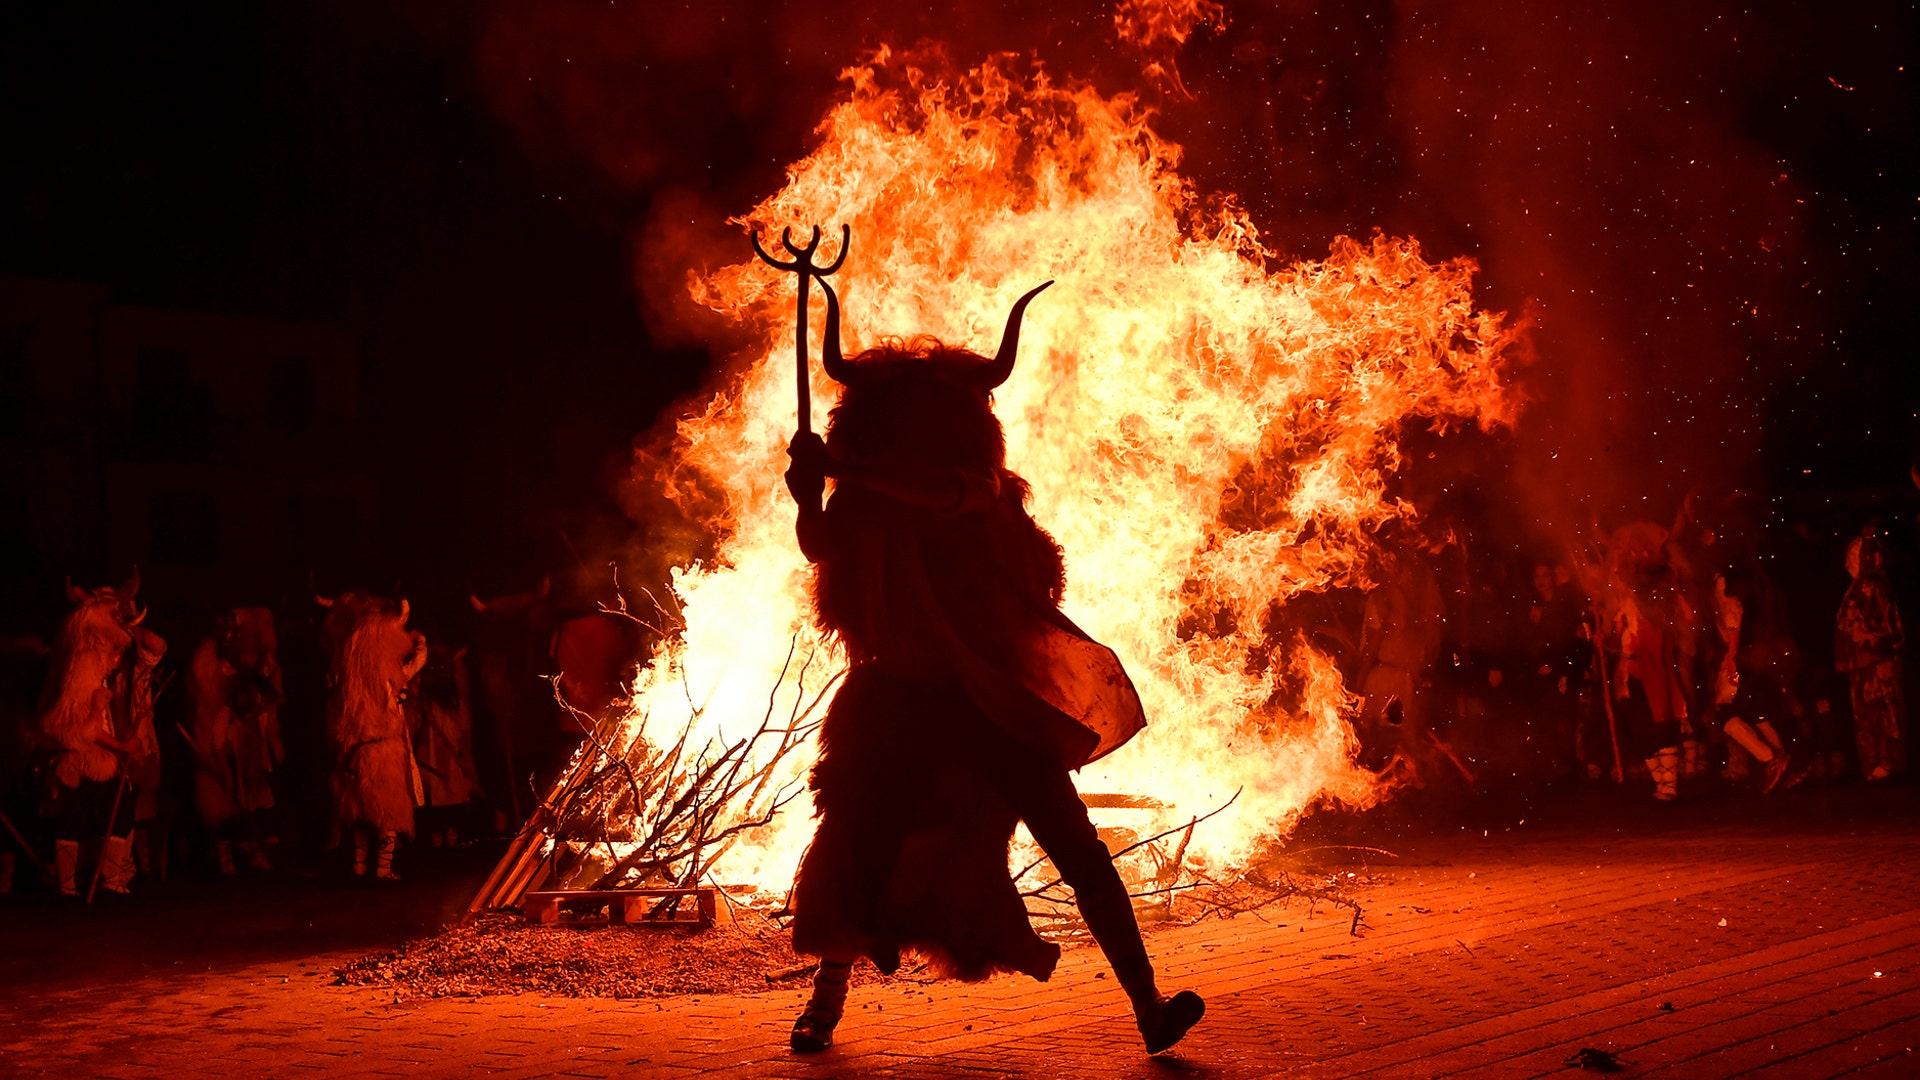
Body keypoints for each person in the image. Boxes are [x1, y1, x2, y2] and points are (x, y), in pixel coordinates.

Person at [781, 277, 1203, 1056]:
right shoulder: (864, 499)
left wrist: (835, 469)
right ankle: (824, 1004)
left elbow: (938, 494)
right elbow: (821, 546)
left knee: (1076, 846)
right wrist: (807, 496)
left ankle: (1148, 1004)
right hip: (896, 696)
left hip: (987, 698)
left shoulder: (981, 488)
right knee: (859, 839)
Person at [1836, 525, 1906, 780]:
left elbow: (1879, 627)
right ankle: (1873, 763)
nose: (1849, 561)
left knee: (1883, 711)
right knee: (1866, 714)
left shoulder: (1873, 586)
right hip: (1861, 663)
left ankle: (1888, 763)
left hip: (1877, 663)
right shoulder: (1858, 587)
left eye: (1856, 555)